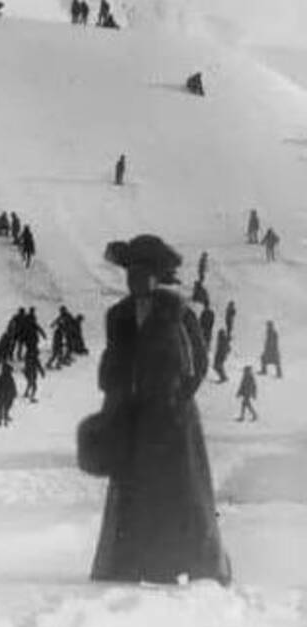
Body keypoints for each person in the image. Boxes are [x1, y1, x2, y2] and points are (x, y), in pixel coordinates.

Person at [87, 233, 230, 584]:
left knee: (181, 492)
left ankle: (189, 565)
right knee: (134, 493)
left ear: (156, 275)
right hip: (133, 420)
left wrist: (178, 398)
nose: (135, 280)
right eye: (130, 273)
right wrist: (115, 387)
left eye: (142, 273)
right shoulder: (118, 315)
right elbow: (113, 362)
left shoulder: (177, 311)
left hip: (174, 422)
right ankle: (129, 565)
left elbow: (198, 361)